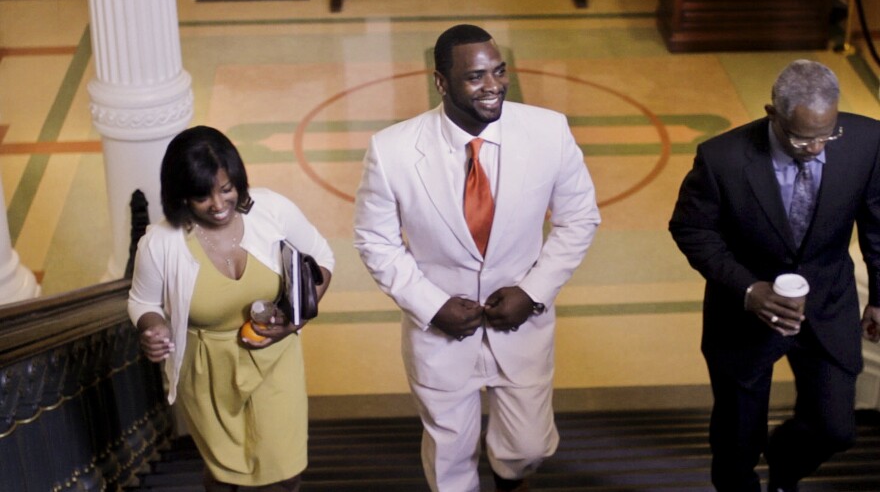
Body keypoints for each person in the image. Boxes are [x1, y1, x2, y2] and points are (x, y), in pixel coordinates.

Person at [353, 24, 601, 492]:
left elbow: (580, 219)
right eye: (475, 77)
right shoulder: (392, 152)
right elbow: (375, 240)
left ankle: (510, 480)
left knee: (527, 449)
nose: (493, 86)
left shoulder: (548, 131)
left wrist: (532, 292)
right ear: (441, 82)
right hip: (440, 336)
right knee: (450, 462)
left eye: (499, 71)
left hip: (521, 327)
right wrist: (432, 305)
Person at [669, 60, 880, 492]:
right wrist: (748, 289)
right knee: (736, 444)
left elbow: (878, 224)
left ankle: (785, 459)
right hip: (745, 314)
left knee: (836, 429)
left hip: (829, 305)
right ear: (773, 114)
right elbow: (692, 229)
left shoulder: (866, 141)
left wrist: (879, 295)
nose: (818, 147)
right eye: (804, 138)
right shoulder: (720, 158)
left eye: (827, 134)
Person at [128, 126, 334, 492]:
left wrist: (294, 319)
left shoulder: (272, 209)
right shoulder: (160, 244)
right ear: (180, 196)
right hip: (207, 370)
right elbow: (144, 301)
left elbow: (322, 259)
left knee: (284, 472)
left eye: (226, 190)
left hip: (276, 358)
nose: (219, 206)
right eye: (202, 196)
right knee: (226, 474)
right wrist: (152, 326)